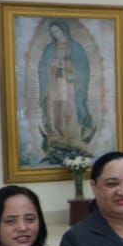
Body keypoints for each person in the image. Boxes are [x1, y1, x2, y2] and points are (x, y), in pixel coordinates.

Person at [38, 19, 95, 163]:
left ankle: (72, 139)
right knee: (54, 110)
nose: (55, 34)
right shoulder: (49, 49)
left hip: (70, 84)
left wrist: (66, 65)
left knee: (69, 110)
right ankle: (56, 139)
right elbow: (42, 67)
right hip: (53, 84)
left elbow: (83, 68)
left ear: (64, 30)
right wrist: (52, 65)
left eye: (57, 31)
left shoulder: (75, 48)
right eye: (53, 32)